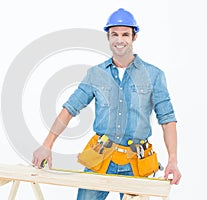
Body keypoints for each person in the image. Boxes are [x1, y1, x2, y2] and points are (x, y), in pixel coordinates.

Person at [32, 8, 181, 200]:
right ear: (108, 37)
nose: (120, 40)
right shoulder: (96, 74)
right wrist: (47, 145)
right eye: (115, 34)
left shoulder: (154, 75)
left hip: (136, 162)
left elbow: (167, 120)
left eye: (125, 34)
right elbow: (70, 109)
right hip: (100, 157)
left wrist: (173, 160)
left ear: (134, 37)